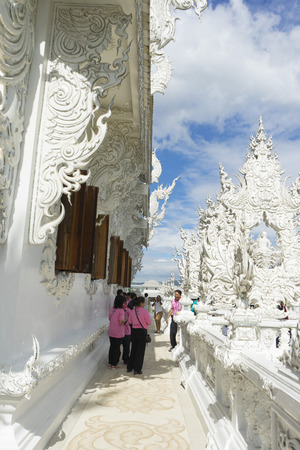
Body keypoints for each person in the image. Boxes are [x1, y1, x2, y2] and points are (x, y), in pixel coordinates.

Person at [127, 296, 151, 375]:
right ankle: (137, 369)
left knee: (133, 349)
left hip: (134, 331)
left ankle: (130, 367)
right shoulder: (145, 311)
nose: (144, 304)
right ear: (141, 303)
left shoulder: (132, 311)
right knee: (140, 351)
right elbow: (149, 322)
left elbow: (130, 322)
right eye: (144, 302)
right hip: (142, 332)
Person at [108, 295, 125, 369]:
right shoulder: (121, 311)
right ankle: (114, 364)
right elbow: (121, 322)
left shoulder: (112, 309)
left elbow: (109, 318)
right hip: (118, 332)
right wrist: (126, 319)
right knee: (117, 348)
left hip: (111, 331)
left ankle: (110, 363)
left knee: (112, 347)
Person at [122, 298, 131, 364]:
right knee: (126, 346)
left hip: (120, 330)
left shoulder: (117, 310)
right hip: (127, 330)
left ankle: (123, 357)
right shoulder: (127, 310)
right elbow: (131, 319)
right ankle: (125, 359)